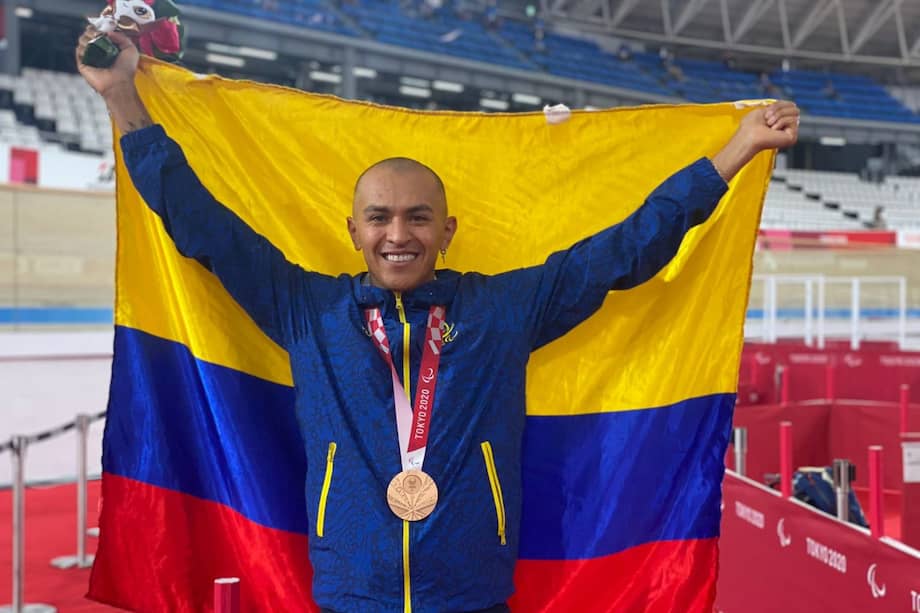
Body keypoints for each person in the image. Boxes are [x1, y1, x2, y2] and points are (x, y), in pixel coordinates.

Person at [77, 27, 799, 613]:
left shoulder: (503, 309)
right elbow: (202, 225)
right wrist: (123, 102)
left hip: (472, 591)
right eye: (380, 217)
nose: (399, 233)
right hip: (350, 591)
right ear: (353, 229)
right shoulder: (308, 309)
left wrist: (735, 150)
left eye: (418, 217)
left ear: (447, 229)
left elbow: (627, 247)